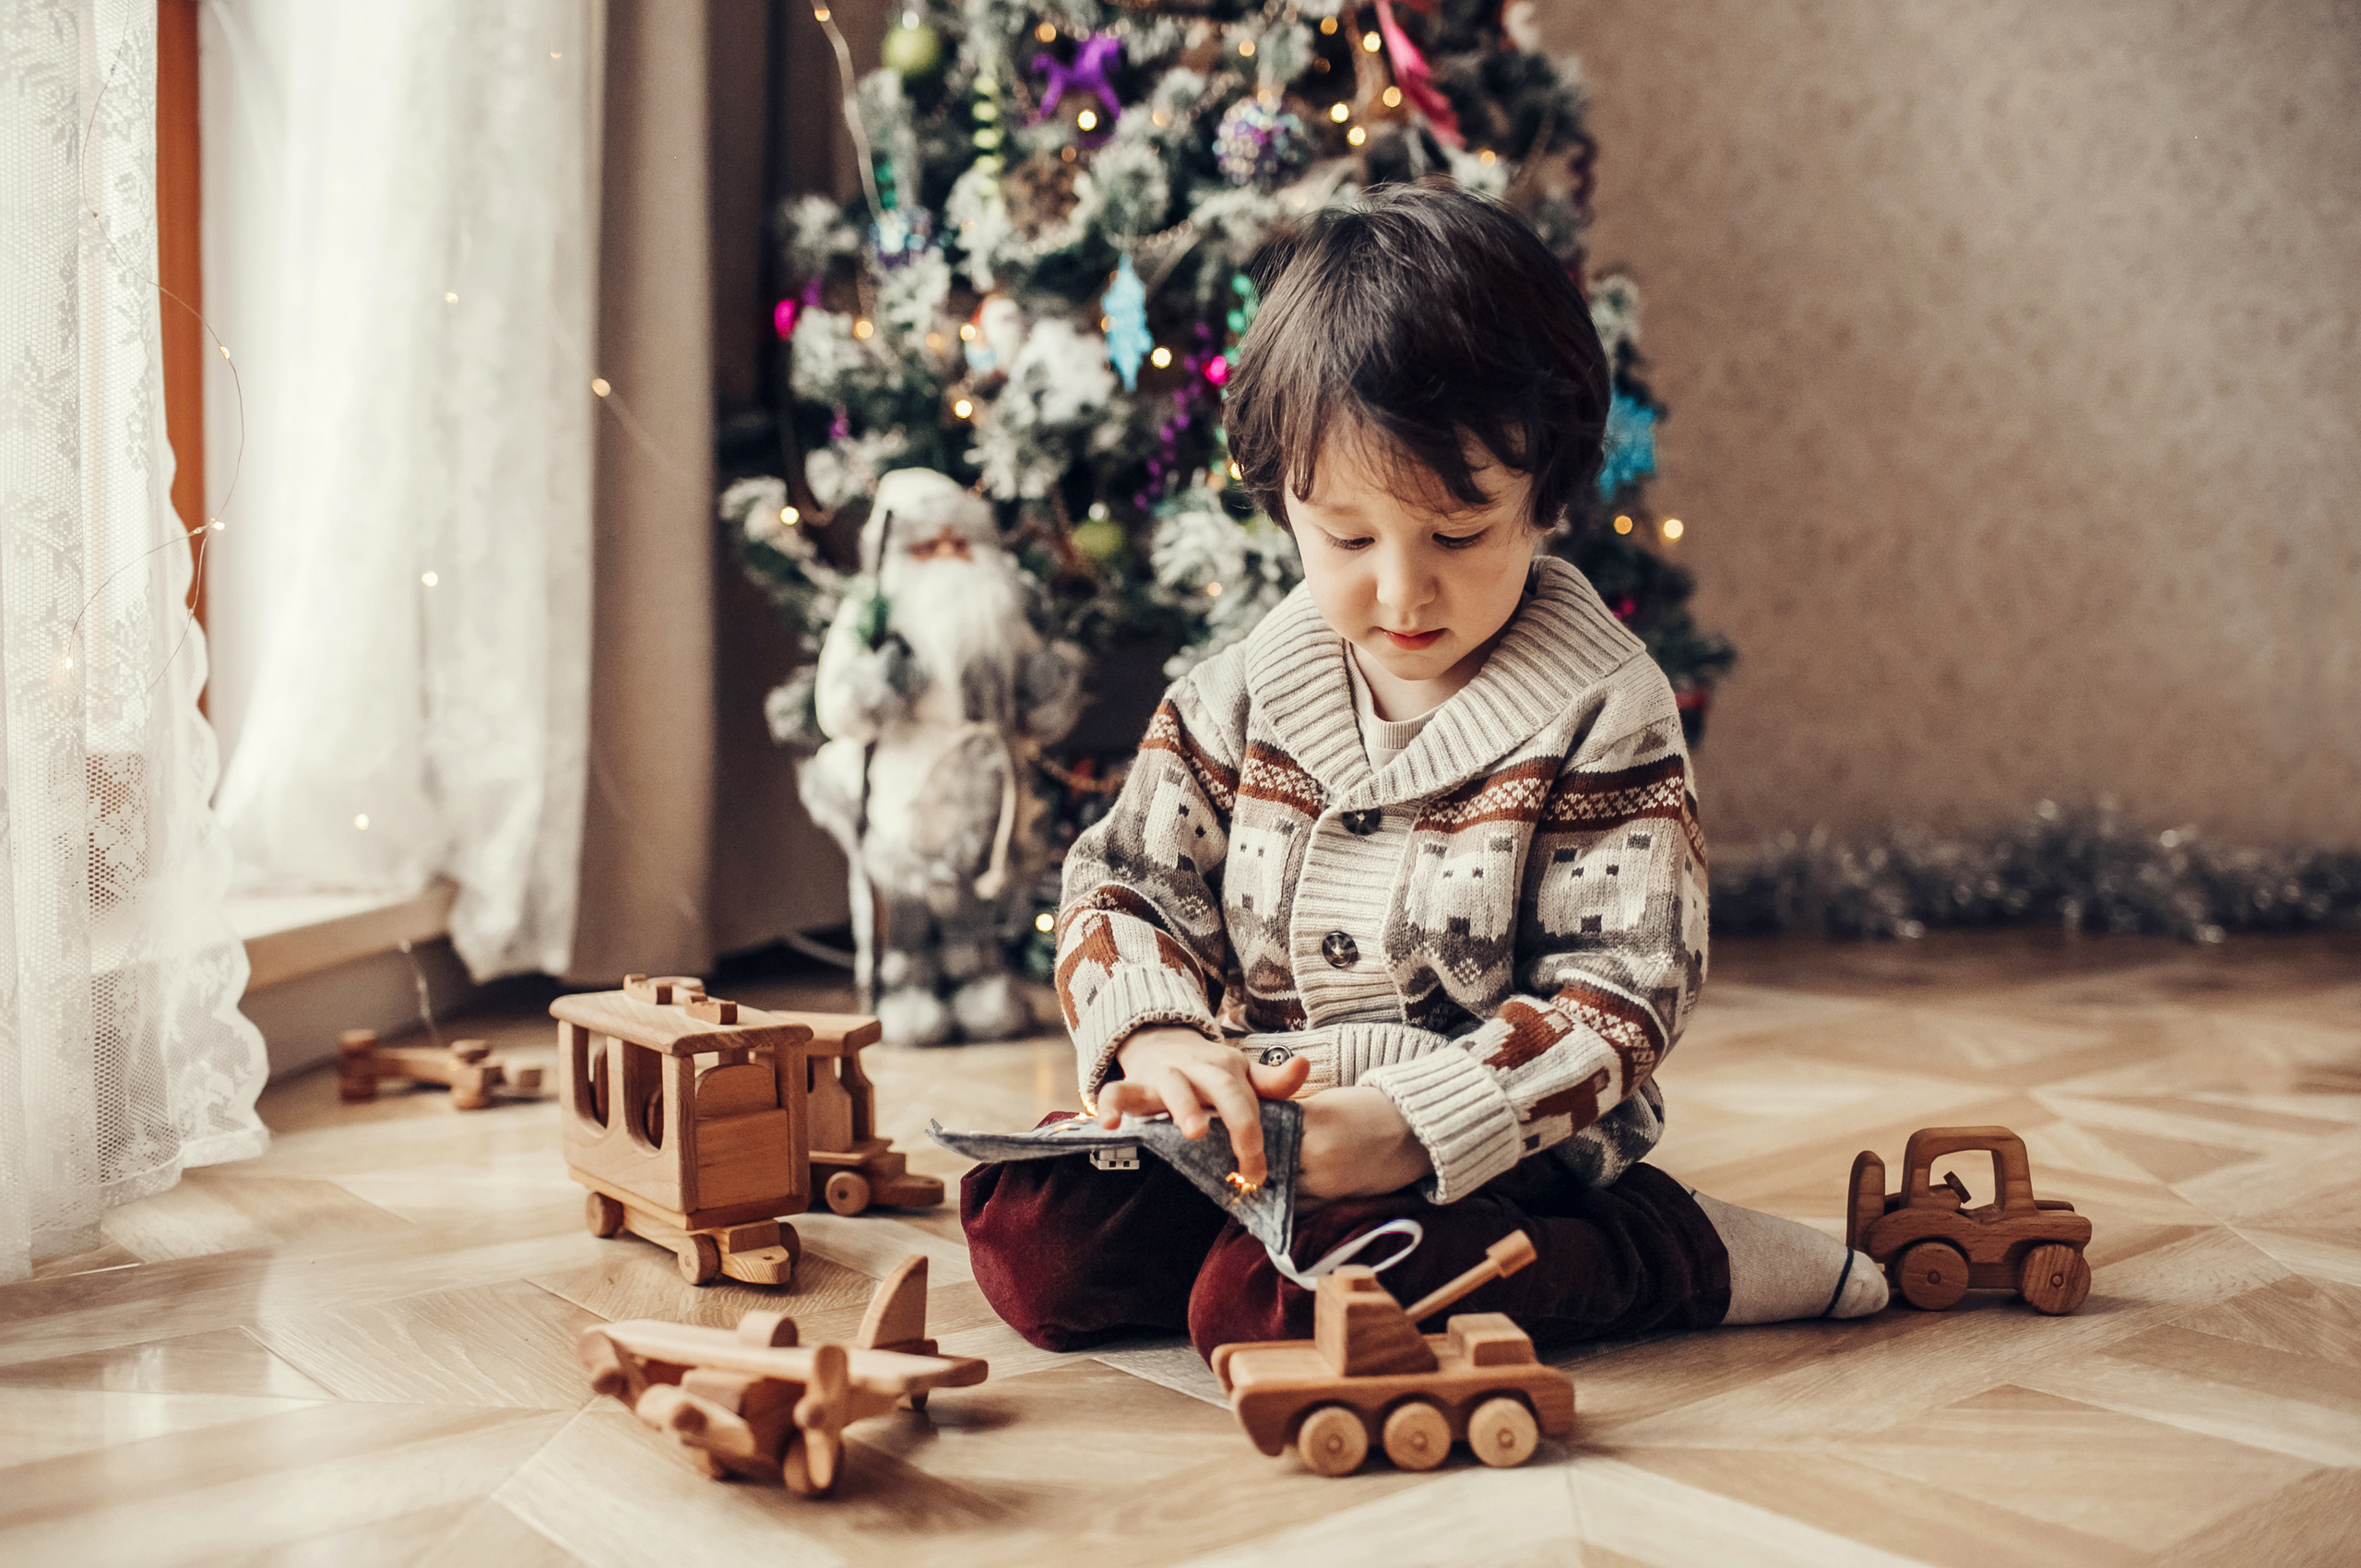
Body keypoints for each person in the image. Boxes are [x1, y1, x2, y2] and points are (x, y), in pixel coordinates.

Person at [963, 182, 1886, 1358]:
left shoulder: (1602, 709)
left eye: (1456, 535)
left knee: (1289, 1306)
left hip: (1496, 1145)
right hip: (1260, 1116)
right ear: (1279, 496)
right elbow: (1123, 885)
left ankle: (1679, 1256)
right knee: (1033, 1234)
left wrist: (1408, 1125)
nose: (1401, 592)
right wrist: (1165, 1046)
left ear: (1545, 496)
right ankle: (1261, 1238)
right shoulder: (1234, 689)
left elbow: (1623, 989)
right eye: (1347, 538)